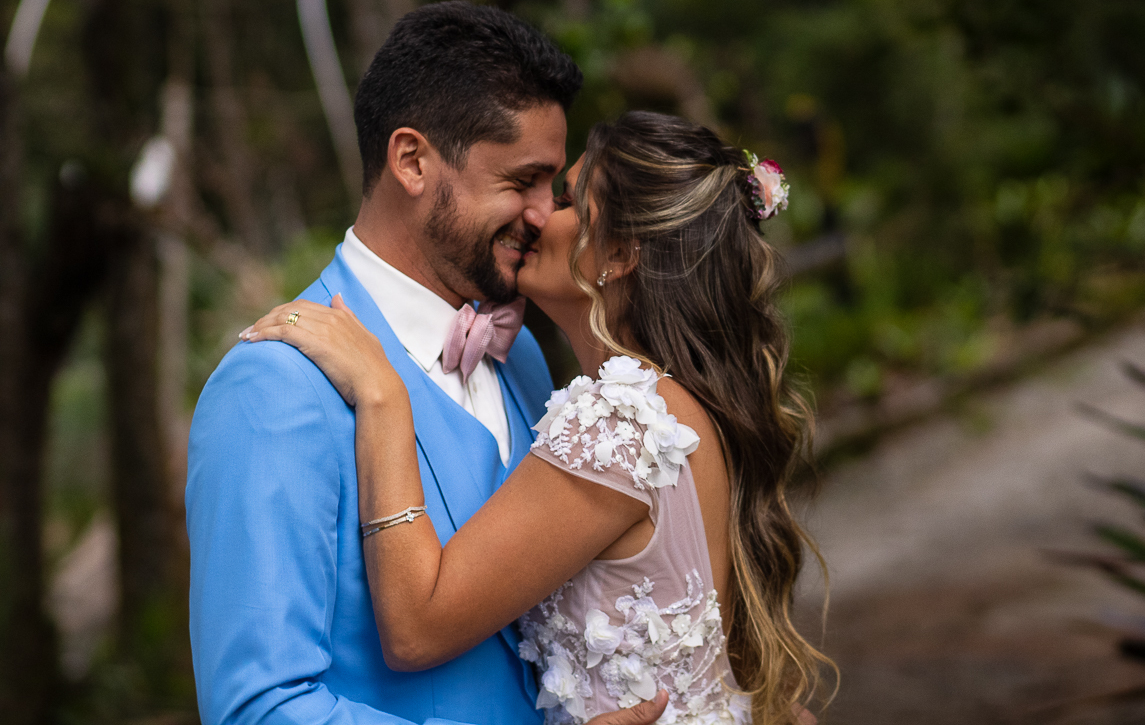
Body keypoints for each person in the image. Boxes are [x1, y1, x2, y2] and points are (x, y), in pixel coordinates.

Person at [242, 111, 836, 724]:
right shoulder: (684, 406)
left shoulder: (620, 422)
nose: (537, 215)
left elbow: (418, 626)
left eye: (569, 200)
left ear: (622, 252)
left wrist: (383, 396)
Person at [186, 2, 668, 725]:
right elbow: (258, 708)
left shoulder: (526, 357)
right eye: (522, 181)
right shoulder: (274, 385)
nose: (546, 215)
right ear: (412, 160)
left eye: (553, 187)